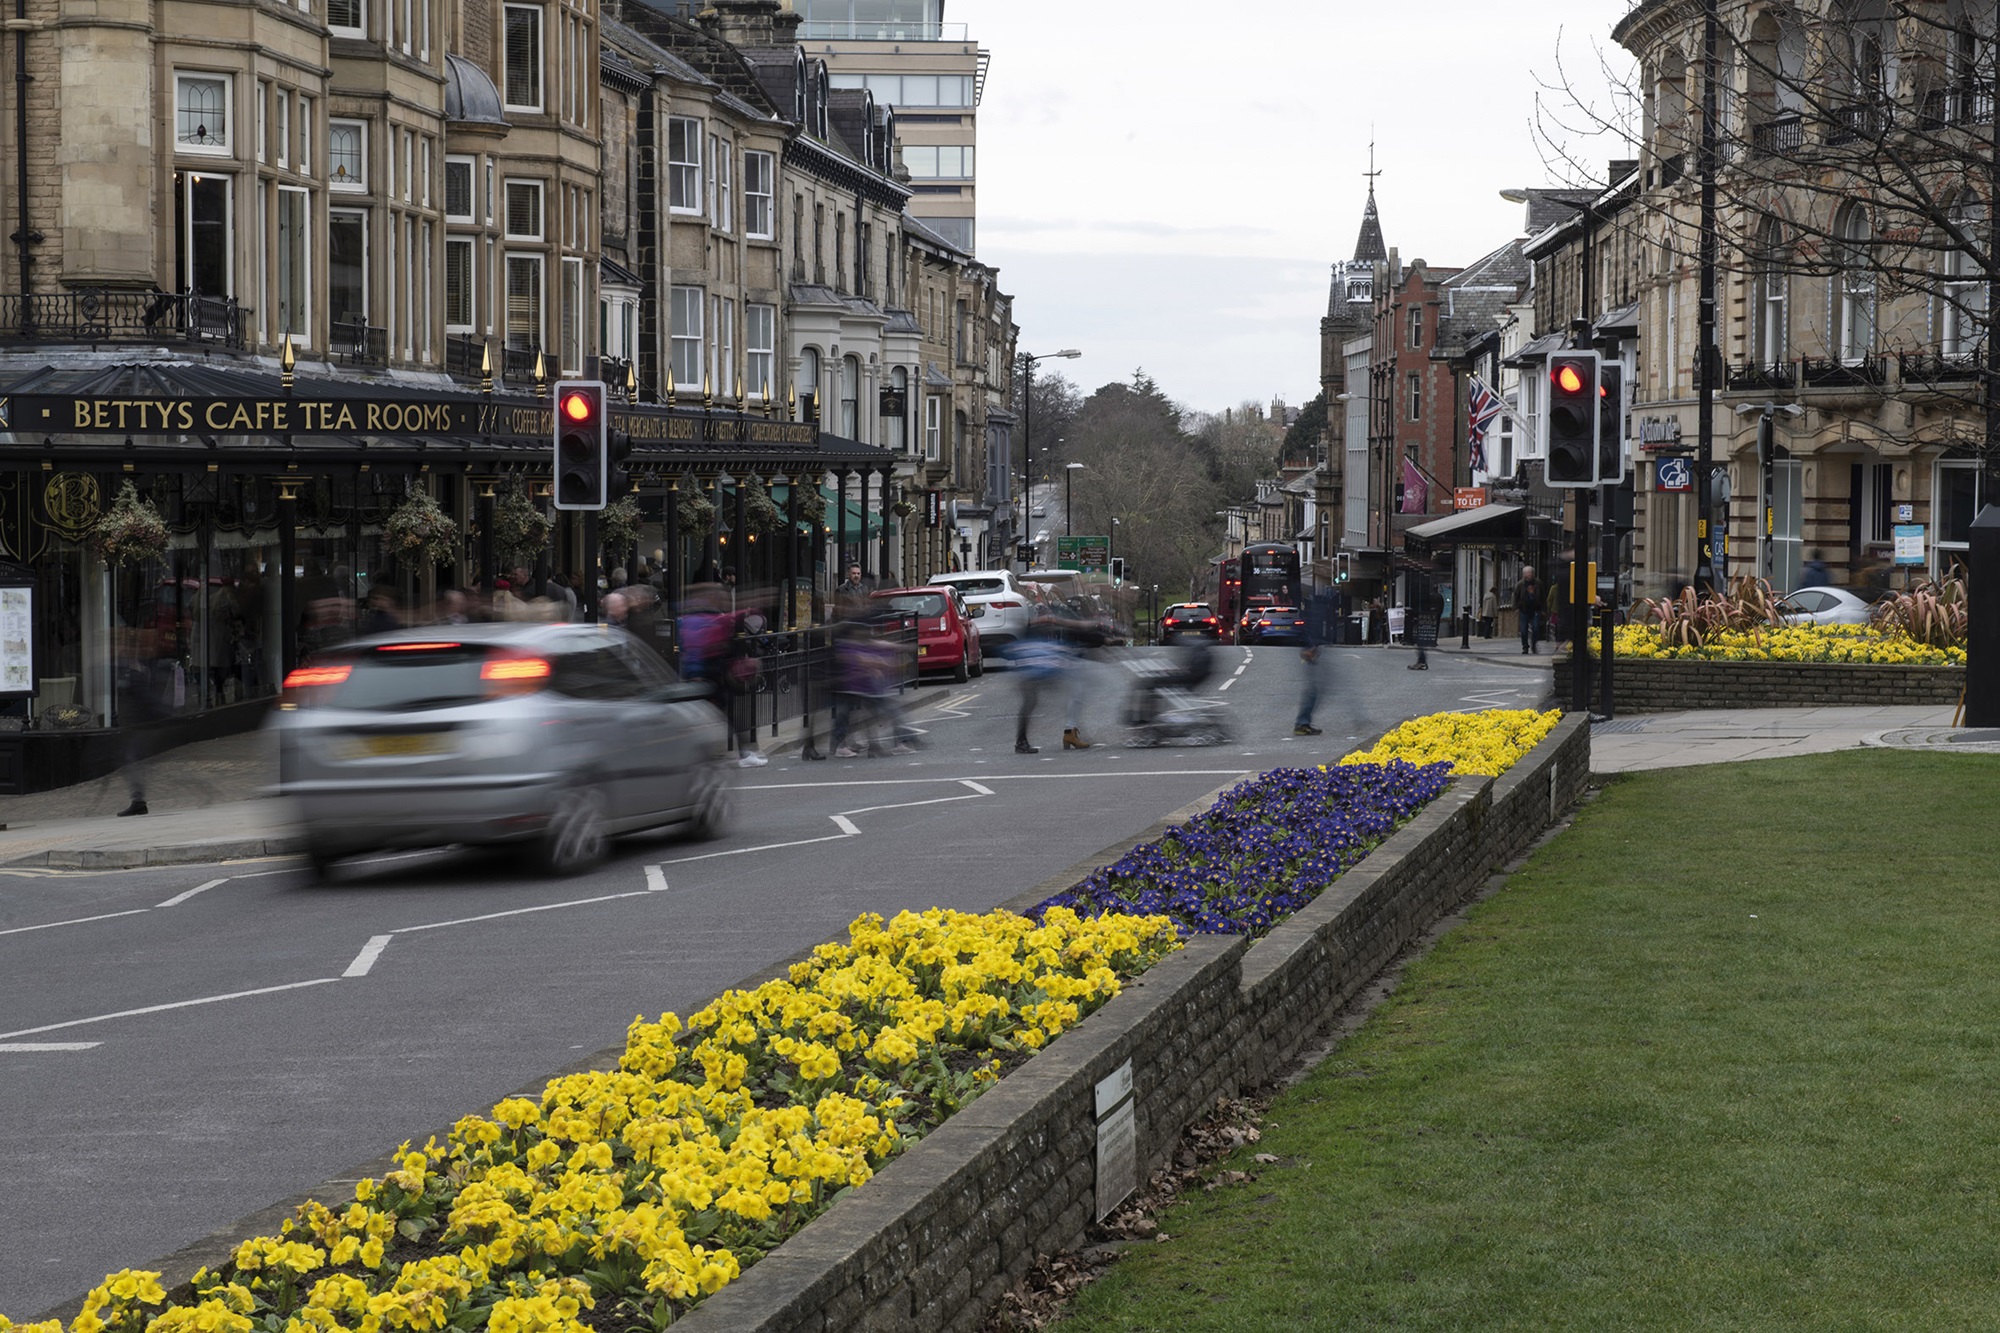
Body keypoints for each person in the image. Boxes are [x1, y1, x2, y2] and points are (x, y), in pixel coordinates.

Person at [1294, 585, 1336, 736]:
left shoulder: (1314, 609)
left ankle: (1303, 722)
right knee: (1312, 690)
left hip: (1313, 650)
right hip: (1310, 652)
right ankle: (1302, 723)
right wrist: (1309, 646)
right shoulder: (1314, 611)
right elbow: (1304, 629)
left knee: (1315, 689)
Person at [1516, 566, 1544, 656]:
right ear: (1523, 575)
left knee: (1536, 628)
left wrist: (1544, 609)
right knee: (1523, 630)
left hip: (1536, 609)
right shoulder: (1520, 584)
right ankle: (1525, 646)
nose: (1528, 575)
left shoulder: (1538, 583)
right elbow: (1516, 596)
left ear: (1533, 573)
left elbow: (1543, 596)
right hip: (1524, 610)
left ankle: (1534, 644)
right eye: (1526, 573)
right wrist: (1515, 608)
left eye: (1530, 573)